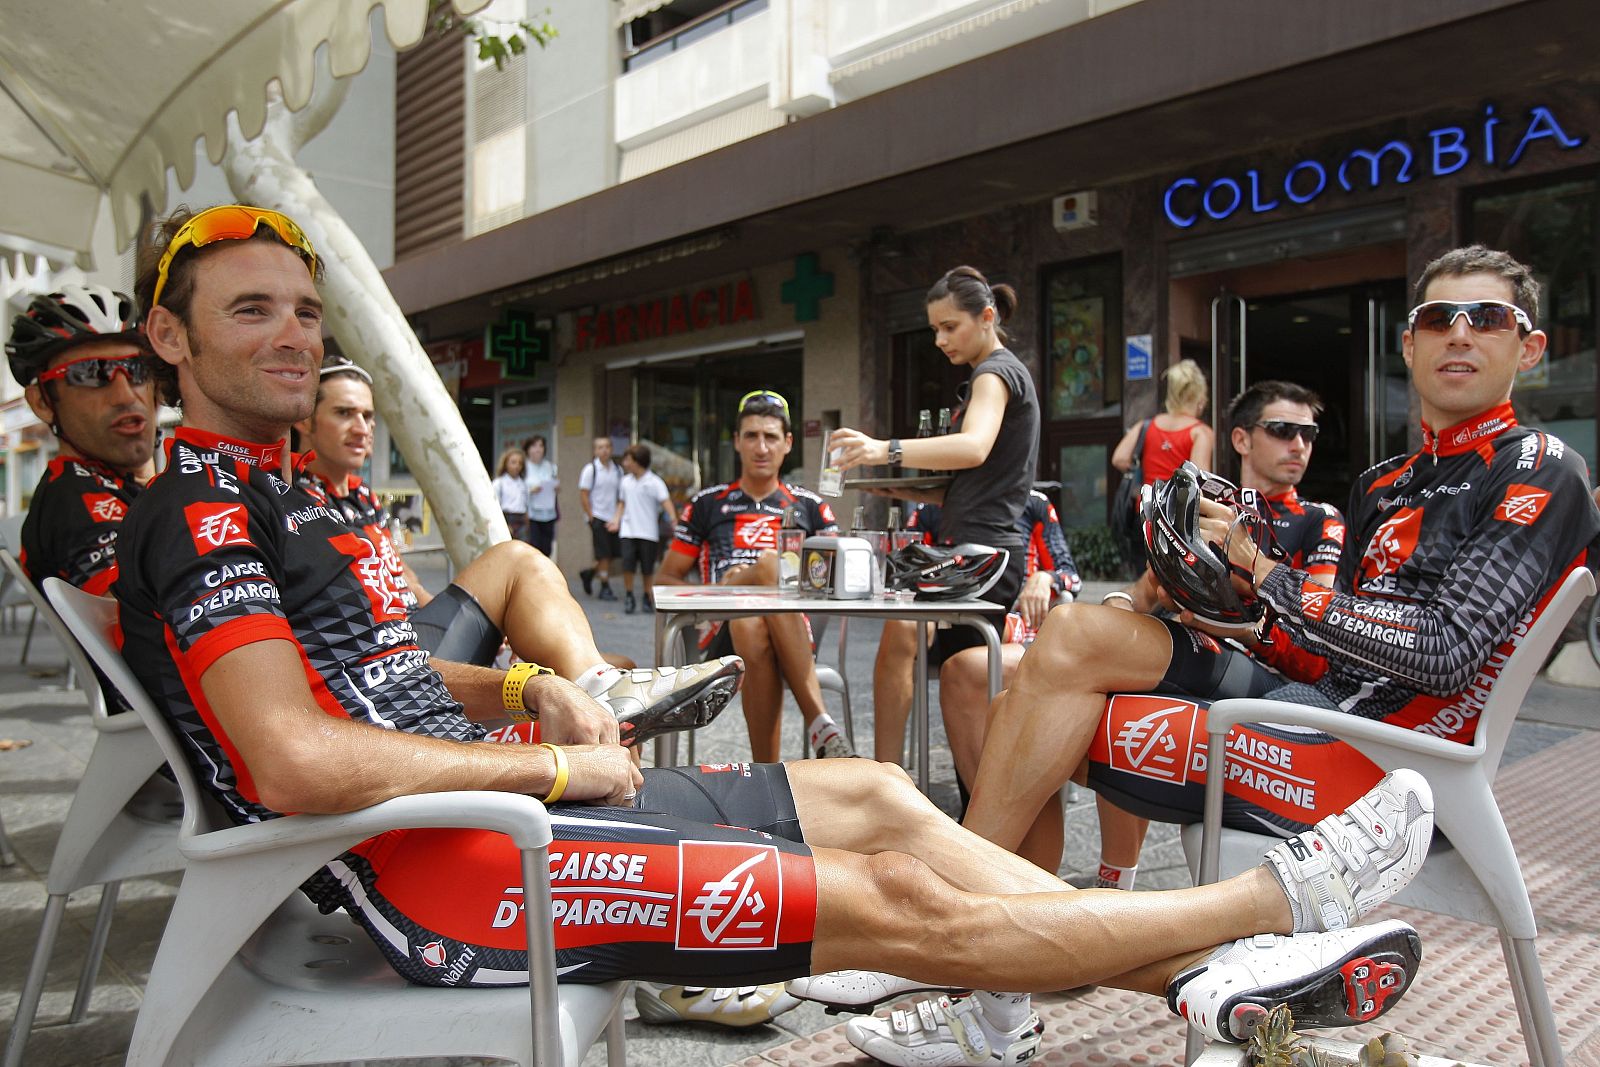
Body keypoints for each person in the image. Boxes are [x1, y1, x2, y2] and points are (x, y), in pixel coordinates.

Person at [114, 203, 1434, 1066]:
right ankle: (1265, 912)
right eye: (252, 311)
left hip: (485, 790)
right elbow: (289, 757)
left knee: (869, 784)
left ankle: (1225, 980)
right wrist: (553, 764)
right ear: (167, 335)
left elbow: (367, 677)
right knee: (898, 901)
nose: (293, 334)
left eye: (303, 309)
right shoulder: (195, 502)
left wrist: (524, 682)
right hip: (444, 867)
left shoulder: (274, 484)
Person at [833, 245, 1599, 1065]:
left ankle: (961, 969)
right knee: (1075, 636)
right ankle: (974, 962)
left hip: (1389, 772)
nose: (1459, 334)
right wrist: (1223, 595)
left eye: (1487, 318)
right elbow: (1323, 650)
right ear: (1407, 346)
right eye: (1437, 319)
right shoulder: (1386, 481)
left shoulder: (1542, 468)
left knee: (1034, 714)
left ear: (1530, 347)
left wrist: (1268, 578)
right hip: (1314, 709)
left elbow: (1444, 654)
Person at [290, 351, 721, 731]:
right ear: (306, 422)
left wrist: (494, 629)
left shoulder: (364, 498)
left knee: (616, 666)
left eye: (368, 416)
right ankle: (605, 704)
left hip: (415, 634)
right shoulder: (293, 497)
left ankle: (623, 799)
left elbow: (409, 586)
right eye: (345, 414)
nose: (362, 427)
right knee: (516, 560)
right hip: (381, 664)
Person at [1087, 379, 1345, 890]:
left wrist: (1235, 618)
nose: (1299, 445)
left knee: (1110, 688)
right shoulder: (1207, 509)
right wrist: (1114, 610)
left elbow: (1317, 653)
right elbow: (1142, 595)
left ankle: (1111, 884)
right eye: (1282, 430)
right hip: (1197, 657)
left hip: (1277, 685)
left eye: (1308, 434)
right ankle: (1065, 883)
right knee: (1024, 683)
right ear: (1242, 440)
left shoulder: (1321, 521)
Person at [832, 266, 1042, 761]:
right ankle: (891, 776)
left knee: (919, 645)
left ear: (987, 317)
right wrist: (894, 484)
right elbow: (977, 482)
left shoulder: (994, 372)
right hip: (976, 548)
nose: (939, 339)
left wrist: (886, 448)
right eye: (934, 329)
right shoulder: (993, 374)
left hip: (984, 556)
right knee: (937, 666)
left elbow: (972, 448)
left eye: (950, 327)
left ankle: (889, 776)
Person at [656, 390, 854, 762]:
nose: (761, 447)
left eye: (771, 437)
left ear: (788, 444)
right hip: (718, 631)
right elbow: (666, 579)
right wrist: (726, 588)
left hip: (793, 631)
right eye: (751, 436)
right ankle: (820, 723)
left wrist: (749, 576)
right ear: (736, 442)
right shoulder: (707, 503)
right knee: (761, 583)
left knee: (757, 605)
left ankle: (767, 773)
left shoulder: (811, 506)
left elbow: (834, 580)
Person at [872, 490, 1081, 771]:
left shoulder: (1033, 503)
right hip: (946, 623)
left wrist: (1046, 577)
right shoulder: (932, 506)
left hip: (1012, 624)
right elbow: (901, 573)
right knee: (902, 625)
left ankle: (983, 791)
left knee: (979, 634)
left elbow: (1069, 574)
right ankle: (885, 773)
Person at [5, 286, 158, 597]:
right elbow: (137, 612)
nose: (126, 395)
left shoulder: (110, 483)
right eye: (91, 373)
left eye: (136, 369)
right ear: (43, 402)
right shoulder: (74, 500)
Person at [1112, 358, 1214, 570]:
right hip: (1177, 519)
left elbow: (1119, 458)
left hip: (1146, 511)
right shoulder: (1199, 432)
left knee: (1144, 573)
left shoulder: (1146, 426)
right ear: (1200, 398)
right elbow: (1198, 481)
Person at [614, 443, 675, 615]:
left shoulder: (655, 482)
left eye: (628, 459)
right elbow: (622, 503)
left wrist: (674, 520)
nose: (625, 463)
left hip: (648, 532)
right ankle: (629, 595)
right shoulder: (625, 482)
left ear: (638, 461)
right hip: (628, 530)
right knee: (628, 565)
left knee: (647, 568)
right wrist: (616, 519)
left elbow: (666, 502)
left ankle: (647, 596)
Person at [578, 436, 622, 600]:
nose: (604, 450)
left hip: (613, 518)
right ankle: (605, 586)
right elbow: (584, 495)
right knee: (603, 554)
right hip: (597, 515)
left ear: (611, 449)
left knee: (611, 553)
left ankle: (589, 573)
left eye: (607, 447)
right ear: (595, 451)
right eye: (600, 447)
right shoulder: (590, 470)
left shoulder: (617, 470)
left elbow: (620, 495)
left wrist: (618, 516)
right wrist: (591, 517)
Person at [523, 434, 559, 556]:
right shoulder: (524, 467)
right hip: (532, 513)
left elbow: (553, 482)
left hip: (548, 511)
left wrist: (555, 487)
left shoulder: (550, 467)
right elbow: (518, 490)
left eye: (541, 446)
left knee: (547, 547)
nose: (538, 449)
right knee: (534, 546)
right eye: (534, 446)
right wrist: (531, 490)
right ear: (527, 449)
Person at [492, 447, 531, 542]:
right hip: (507, 517)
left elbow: (525, 504)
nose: (517, 466)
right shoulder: (499, 483)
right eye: (513, 462)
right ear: (506, 464)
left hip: (521, 518)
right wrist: (504, 524)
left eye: (520, 463)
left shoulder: (523, 484)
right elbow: (494, 506)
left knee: (522, 549)